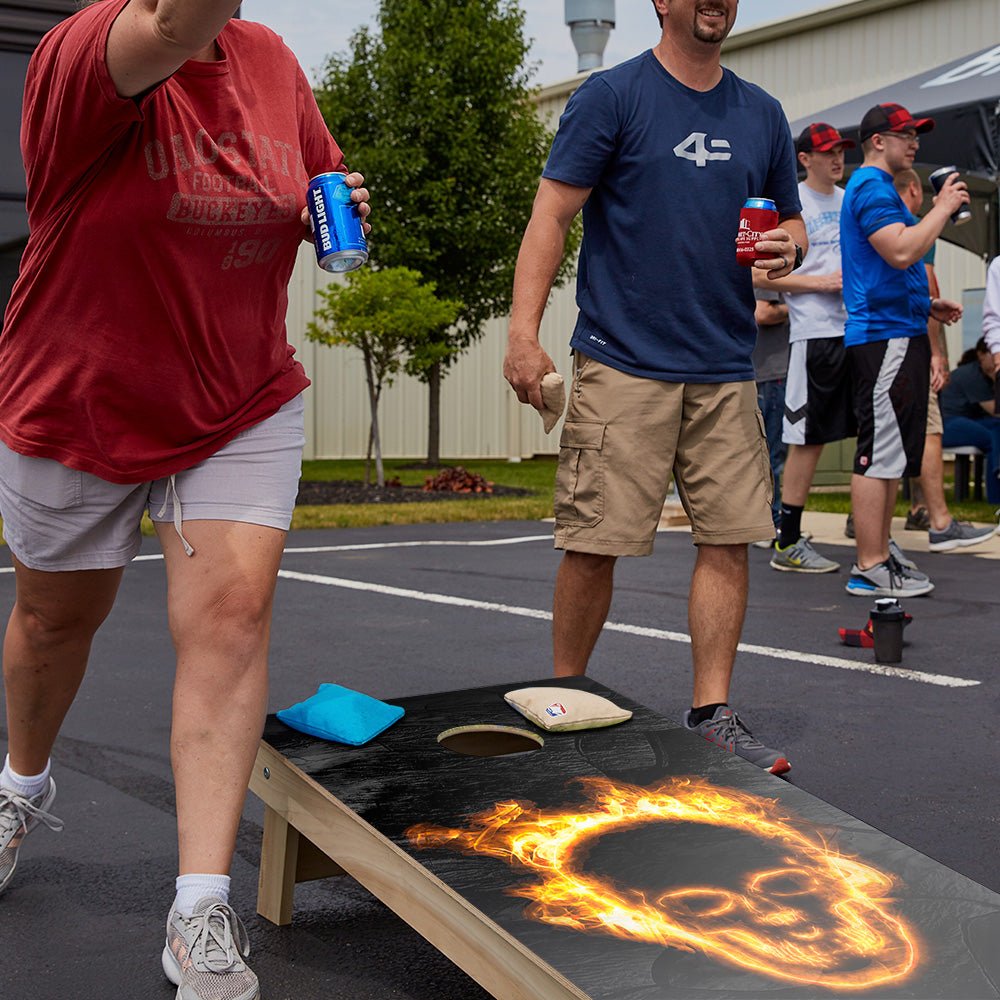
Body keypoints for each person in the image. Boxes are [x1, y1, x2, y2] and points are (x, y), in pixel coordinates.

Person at [0, 3, 370, 998]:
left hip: (238, 397)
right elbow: (170, 21)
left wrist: (324, 203)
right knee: (51, 620)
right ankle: (19, 784)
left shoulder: (271, 62)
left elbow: (312, 178)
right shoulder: (87, 51)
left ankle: (198, 907)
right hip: (82, 396)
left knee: (231, 618)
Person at [504, 0, 805, 775]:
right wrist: (522, 332)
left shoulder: (762, 113)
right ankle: (562, 700)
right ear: (661, 2)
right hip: (621, 359)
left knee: (728, 538)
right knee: (594, 543)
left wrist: (785, 243)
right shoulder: (613, 96)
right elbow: (552, 215)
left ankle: (713, 713)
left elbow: (792, 226)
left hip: (724, 364)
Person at [840, 103, 966, 598]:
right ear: (877, 141)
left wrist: (926, 304)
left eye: (917, 134)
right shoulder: (871, 187)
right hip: (883, 336)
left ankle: (881, 551)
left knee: (891, 453)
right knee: (879, 452)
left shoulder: (880, 191)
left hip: (899, 328)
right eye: (904, 134)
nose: (914, 142)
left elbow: (890, 263)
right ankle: (869, 565)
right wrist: (942, 206)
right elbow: (899, 250)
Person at [764, 123, 856, 575]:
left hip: (859, 330)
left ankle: (871, 533)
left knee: (874, 434)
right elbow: (762, 277)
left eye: (841, 151)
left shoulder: (851, 199)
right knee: (808, 439)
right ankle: (788, 540)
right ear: (805, 159)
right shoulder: (793, 206)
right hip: (813, 334)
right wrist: (819, 282)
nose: (837, 159)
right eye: (827, 152)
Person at [892, 169, 993, 551]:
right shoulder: (918, 227)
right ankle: (939, 522)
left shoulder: (878, 225)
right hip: (911, 338)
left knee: (890, 430)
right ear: (916, 190)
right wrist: (937, 354)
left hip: (878, 339)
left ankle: (907, 511)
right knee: (929, 429)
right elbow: (927, 286)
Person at [940, 338, 1000, 505]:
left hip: (967, 421)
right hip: (947, 423)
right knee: (992, 438)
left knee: (996, 429)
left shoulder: (985, 375)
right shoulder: (972, 375)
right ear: (981, 355)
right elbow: (996, 410)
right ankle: (995, 495)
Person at [751, 283, 790, 541]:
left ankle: (767, 521)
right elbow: (763, 312)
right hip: (771, 372)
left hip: (770, 371)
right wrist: (799, 304)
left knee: (770, 453)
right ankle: (770, 522)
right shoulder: (767, 270)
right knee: (771, 454)